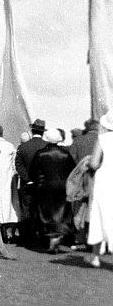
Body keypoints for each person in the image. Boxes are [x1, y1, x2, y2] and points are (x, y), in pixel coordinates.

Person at [29, 128, 75, 253]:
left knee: (46, 213)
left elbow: (32, 172)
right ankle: (57, 235)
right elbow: (72, 171)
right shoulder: (66, 154)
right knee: (61, 212)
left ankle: (52, 238)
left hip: (44, 187)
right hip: (62, 187)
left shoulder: (40, 154)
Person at [86, 110, 113, 268]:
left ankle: (95, 256)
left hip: (104, 180)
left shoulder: (102, 139)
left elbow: (95, 163)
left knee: (99, 215)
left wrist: (89, 163)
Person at [15, 118, 47, 247]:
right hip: (42, 184)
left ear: (32, 130)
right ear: (43, 132)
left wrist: (27, 179)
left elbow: (18, 165)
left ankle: (27, 238)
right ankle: (42, 238)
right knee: (41, 211)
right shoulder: (46, 146)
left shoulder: (23, 147)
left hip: (27, 184)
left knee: (27, 211)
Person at [0, 124, 20, 242]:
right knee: (7, 204)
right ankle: (8, 232)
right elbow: (14, 165)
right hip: (7, 180)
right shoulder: (10, 146)